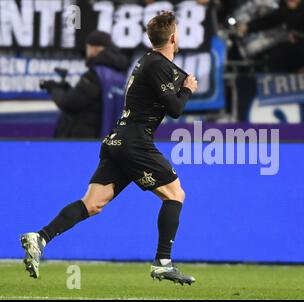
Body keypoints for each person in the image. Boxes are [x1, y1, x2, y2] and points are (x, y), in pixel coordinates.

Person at [20, 12, 198, 285]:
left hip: (117, 139)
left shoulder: (145, 62)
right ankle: (163, 262)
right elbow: (175, 109)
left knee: (91, 204)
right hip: (135, 141)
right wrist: (187, 89)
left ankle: (40, 237)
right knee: (175, 194)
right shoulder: (159, 64)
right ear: (174, 37)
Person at [40, 31, 128, 138]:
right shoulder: (119, 75)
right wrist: (66, 88)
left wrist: (53, 88)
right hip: (107, 137)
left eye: (87, 48)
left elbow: (70, 103)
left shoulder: (96, 74)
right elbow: (90, 100)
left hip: (85, 138)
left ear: (94, 49)